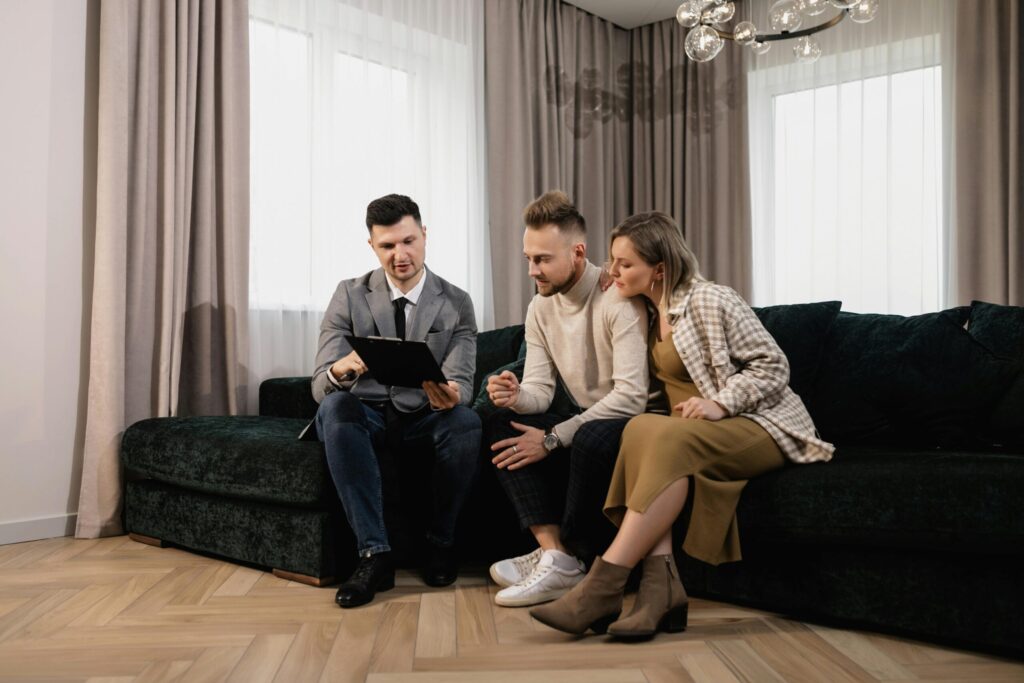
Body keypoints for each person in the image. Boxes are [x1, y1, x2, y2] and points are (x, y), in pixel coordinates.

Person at [530, 211, 834, 638]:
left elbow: (773, 366)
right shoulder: (645, 309)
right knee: (639, 429)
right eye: (612, 261)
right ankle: (662, 591)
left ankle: (603, 586)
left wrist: (720, 403)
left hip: (760, 425)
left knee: (657, 435)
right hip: (690, 431)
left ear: (660, 269)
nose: (612, 271)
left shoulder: (711, 299)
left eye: (625, 264)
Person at [312, 194, 481, 608]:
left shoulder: (457, 301)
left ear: (424, 235)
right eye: (387, 245)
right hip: (364, 415)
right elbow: (319, 386)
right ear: (372, 245)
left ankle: (440, 543)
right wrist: (340, 369)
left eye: (408, 241)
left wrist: (452, 395)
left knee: (466, 423)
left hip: (424, 417)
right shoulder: (348, 294)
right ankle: (374, 554)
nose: (400, 255)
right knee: (334, 406)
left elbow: (463, 382)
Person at [483, 191, 651, 608]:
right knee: (500, 421)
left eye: (542, 259)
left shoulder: (618, 299)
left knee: (590, 435)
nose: (532, 270)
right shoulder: (540, 308)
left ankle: (571, 556)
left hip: (633, 424)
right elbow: (540, 392)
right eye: (528, 258)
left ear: (577, 253)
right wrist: (515, 396)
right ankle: (555, 553)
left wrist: (553, 438)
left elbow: (631, 398)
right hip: (584, 420)